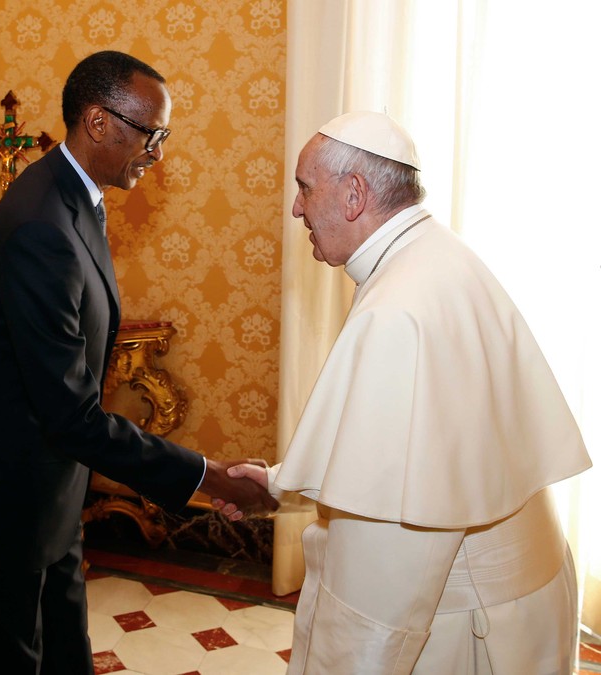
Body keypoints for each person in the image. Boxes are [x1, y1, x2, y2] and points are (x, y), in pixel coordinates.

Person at [0, 50, 277, 675]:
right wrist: (208, 477)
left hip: (50, 484)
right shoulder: (41, 224)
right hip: (3, 494)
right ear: (98, 122)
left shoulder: (73, 197)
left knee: (65, 650)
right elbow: (71, 413)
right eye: (152, 135)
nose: (157, 153)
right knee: (11, 660)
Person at [219, 111, 593, 674]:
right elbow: (425, 458)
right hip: (515, 598)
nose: (296, 208)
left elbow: (388, 563)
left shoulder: (398, 309)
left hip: (460, 629)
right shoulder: (433, 257)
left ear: (354, 194)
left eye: (305, 188)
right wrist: (278, 483)